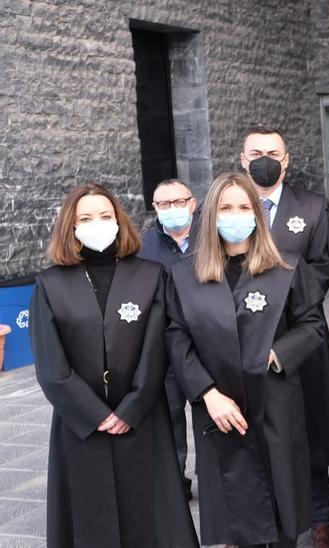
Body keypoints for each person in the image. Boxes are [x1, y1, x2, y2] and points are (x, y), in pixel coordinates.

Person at [32, 183, 198, 548]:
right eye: (86, 217)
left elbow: (157, 348)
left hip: (141, 418)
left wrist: (132, 406)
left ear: (120, 221)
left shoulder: (150, 275)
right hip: (80, 425)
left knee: (151, 515)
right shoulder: (51, 284)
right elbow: (50, 365)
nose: (98, 224)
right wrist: (94, 414)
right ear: (69, 226)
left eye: (106, 216)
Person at [167, 172, 327, 547]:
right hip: (220, 408)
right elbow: (176, 336)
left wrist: (276, 355)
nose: (234, 215)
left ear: (257, 214)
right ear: (210, 215)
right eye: (225, 207)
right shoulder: (184, 275)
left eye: (243, 207)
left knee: (281, 508)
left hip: (274, 402)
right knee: (238, 515)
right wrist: (207, 393)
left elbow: (312, 325)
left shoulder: (287, 267)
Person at [240, 125, 329, 546]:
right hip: (242, 342)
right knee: (249, 433)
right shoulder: (226, 206)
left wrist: (284, 306)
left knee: (310, 428)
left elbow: (324, 265)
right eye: (256, 152)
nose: (265, 159)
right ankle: (255, 517)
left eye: (273, 152)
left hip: (299, 337)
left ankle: (319, 516)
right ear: (242, 159)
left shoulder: (315, 207)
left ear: (286, 160)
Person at [138, 178, 200, 499]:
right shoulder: (144, 245)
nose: (173, 209)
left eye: (179, 202)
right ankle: (177, 484)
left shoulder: (212, 237)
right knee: (171, 418)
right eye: (164, 204)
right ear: (155, 208)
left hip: (207, 347)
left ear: (193, 203)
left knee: (209, 416)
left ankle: (216, 477)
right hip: (166, 350)